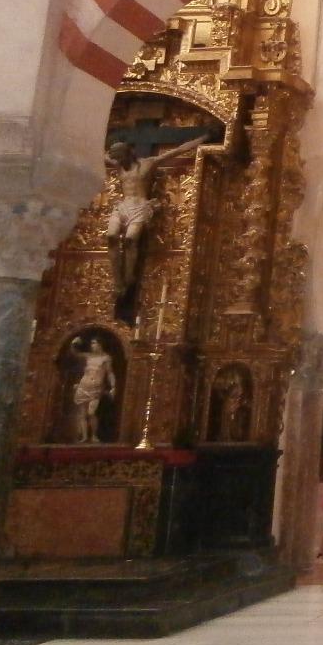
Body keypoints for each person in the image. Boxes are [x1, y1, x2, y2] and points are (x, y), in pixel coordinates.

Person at [104, 133, 208, 321]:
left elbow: (179, 150)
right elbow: (98, 154)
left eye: (120, 158)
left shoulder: (149, 163)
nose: (118, 162)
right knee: (111, 236)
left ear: (129, 154)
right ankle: (118, 282)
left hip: (140, 206)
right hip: (123, 206)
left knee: (130, 239)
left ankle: (128, 278)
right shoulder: (119, 166)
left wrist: (204, 137)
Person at [71, 336, 117, 444]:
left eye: (94, 343)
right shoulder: (89, 356)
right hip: (84, 385)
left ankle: (94, 435)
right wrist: (74, 343)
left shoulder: (106, 358)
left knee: (91, 412)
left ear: (100, 344)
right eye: (91, 343)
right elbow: (75, 354)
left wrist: (113, 386)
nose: (93, 345)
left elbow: (110, 373)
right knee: (82, 413)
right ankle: (84, 436)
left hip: (95, 388)